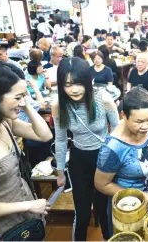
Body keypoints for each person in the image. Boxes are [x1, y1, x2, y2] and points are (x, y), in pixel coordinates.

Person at [0, 62, 52, 241]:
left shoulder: (3, 123)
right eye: (17, 97)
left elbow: (45, 135)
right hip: (0, 230)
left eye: (24, 95)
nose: (22, 102)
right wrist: (26, 206)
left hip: (25, 217)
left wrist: (25, 104)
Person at [94, 86, 148, 237]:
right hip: (127, 211)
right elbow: (101, 184)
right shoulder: (113, 148)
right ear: (124, 116)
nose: (146, 126)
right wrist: (139, 195)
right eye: (139, 121)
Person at [53, 57, 119, 241]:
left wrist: (117, 162)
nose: (74, 89)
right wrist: (60, 172)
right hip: (78, 160)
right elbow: (60, 139)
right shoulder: (59, 105)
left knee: (104, 210)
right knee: (82, 213)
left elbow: (117, 131)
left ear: (88, 81)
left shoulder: (103, 98)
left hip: (103, 158)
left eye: (79, 83)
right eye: (67, 85)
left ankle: (109, 238)